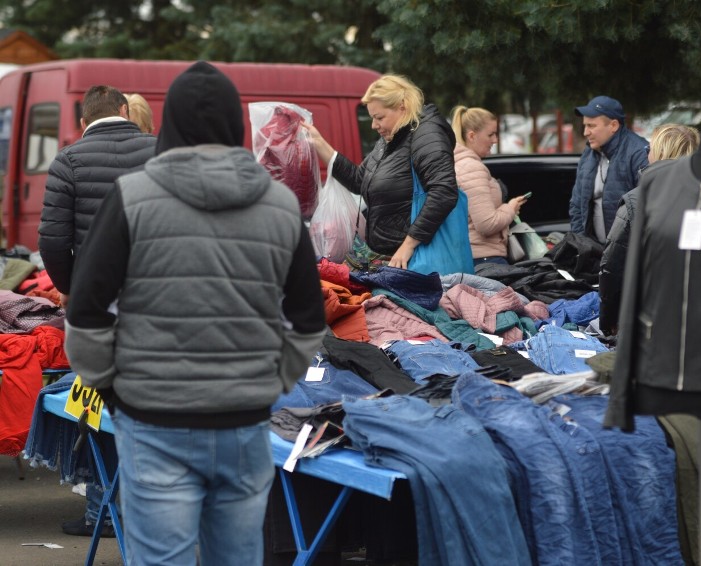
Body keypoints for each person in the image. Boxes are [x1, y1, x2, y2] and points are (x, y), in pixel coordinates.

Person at [63, 61, 327, 565]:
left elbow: (87, 311)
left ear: (170, 124)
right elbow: (307, 319)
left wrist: (112, 387)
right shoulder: (278, 205)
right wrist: (270, 381)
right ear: (234, 123)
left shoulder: (130, 198)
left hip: (153, 419)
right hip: (245, 422)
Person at [38, 85, 156, 538]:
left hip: (98, 311)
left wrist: (73, 288)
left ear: (83, 123)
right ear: (126, 111)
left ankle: (99, 513)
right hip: (161, 306)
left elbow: (51, 239)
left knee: (97, 403)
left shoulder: (68, 160)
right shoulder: (163, 151)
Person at [303, 74, 458, 270]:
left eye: (379, 117)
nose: (374, 125)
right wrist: (319, 143)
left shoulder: (427, 133)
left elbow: (444, 191)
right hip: (389, 259)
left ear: (402, 106)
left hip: (415, 261)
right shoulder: (390, 138)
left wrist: (408, 246)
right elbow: (359, 181)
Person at [598, 123, 700, 335]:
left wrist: (608, 322)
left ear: (660, 154)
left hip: (649, 320)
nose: (646, 155)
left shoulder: (637, 200)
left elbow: (612, 269)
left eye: (649, 150)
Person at [451, 105, 527, 265]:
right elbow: (486, 224)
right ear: (471, 136)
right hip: (485, 259)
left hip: (477, 256)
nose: (495, 140)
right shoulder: (471, 168)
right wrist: (510, 208)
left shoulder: (463, 165)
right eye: (491, 134)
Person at [569, 95, 649, 244]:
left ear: (613, 125)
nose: (586, 132)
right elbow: (576, 205)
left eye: (592, 126)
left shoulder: (638, 152)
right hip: (594, 254)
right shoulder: (588, 154)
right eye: (585, 126)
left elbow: (647, 208)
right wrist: (582, 245)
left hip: (627, 255)